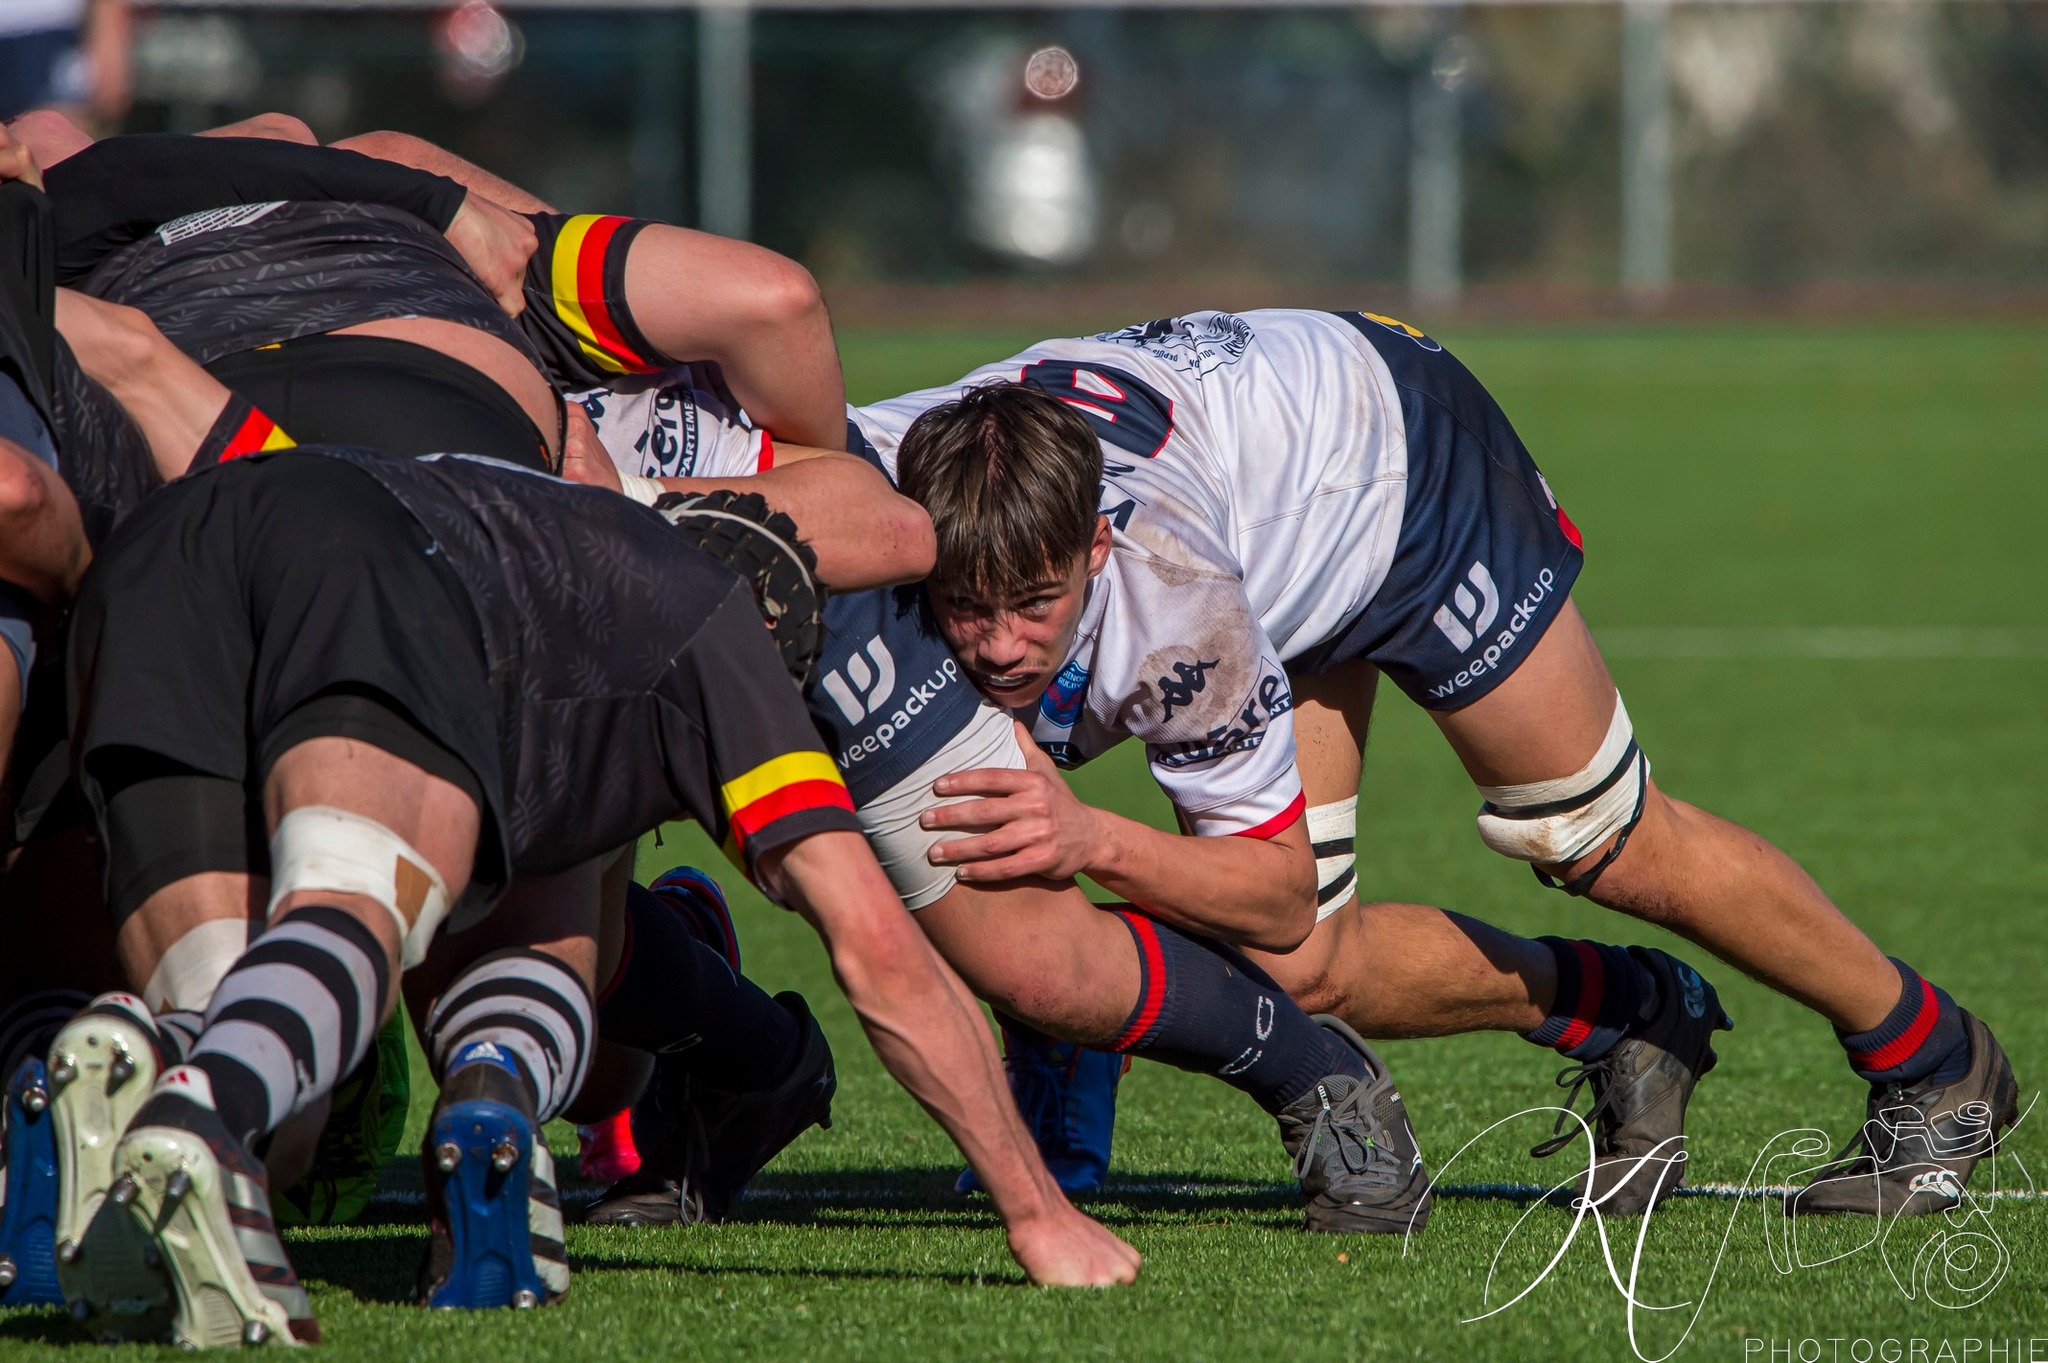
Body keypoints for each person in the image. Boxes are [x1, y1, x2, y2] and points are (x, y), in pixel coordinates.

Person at [843, 308, 2017, 1219]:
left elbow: (1273, 884)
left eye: (1033, 606)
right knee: (1302, 972)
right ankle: (1625, 1015)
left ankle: (1938, 1059)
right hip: (1264, 490)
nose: (993, 641)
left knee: (1596, 832)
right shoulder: (873, 483)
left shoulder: (1176, 600)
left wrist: (1093, 840)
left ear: (1094, 544)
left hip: (1401, 466)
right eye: (966, 608)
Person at [56, 445, 1137, 1347]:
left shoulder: (570, 541)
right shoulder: (713, 629)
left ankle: (161, 1064)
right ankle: (208, 1106)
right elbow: (876, 949)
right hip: (360, 565)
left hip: (165, 547)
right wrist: (1038, 1213)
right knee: (354, 912)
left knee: (234, 1029)